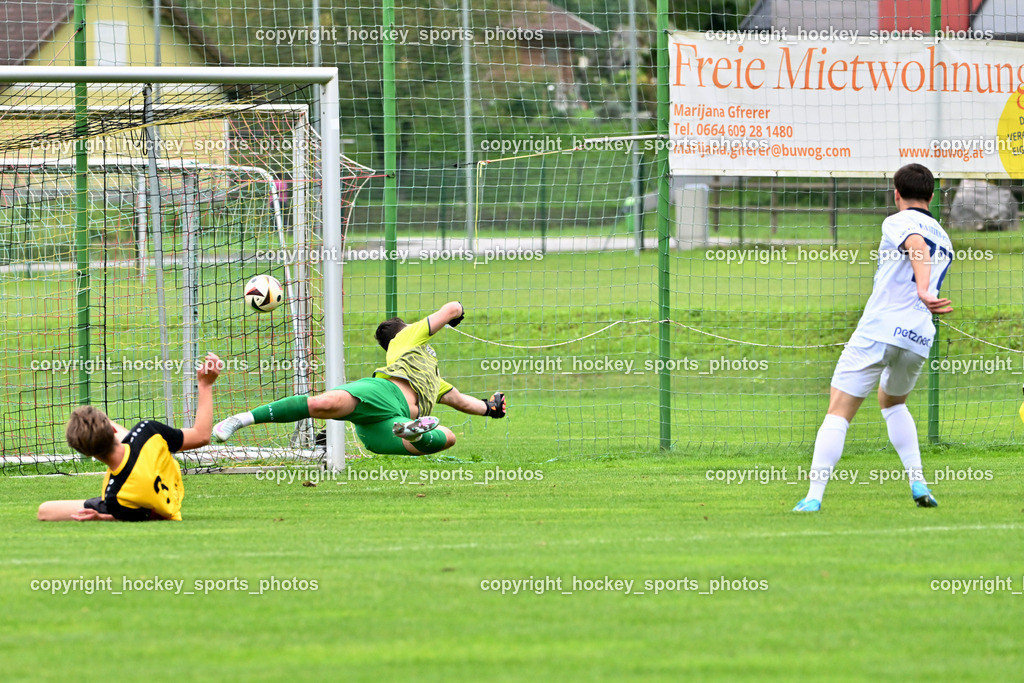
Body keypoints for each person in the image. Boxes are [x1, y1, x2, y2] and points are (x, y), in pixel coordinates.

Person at [793, 164, 953, 512]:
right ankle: (918, 481)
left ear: (896, 194)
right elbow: (924, 248)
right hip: (918, 334)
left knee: (838, 410)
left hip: (881, 327)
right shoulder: (944, 235)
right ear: (931, 195)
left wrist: (923, 289)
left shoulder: (898, 221)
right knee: (893, 403)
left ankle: (813, 496)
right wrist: (925, 295)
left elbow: (916, 246)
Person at [211, 302, 506, 455]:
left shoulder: (432, 375)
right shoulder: (406, 338)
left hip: (386, 428)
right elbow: (452, 307)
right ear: (403, 331)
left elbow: (459, 401)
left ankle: (412, 432)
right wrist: (456, 314)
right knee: (324, 403)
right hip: (383, 394)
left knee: (448, 438)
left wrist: (490, 407)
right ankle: (241, 419)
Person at [37, 352, 223, 521]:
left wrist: (103, 517)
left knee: (44, 510)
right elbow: (201, 436)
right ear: (114, 431)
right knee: (123, 435)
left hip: (149, 501)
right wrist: (205, 384)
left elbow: (154, 516)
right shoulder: (148, 431)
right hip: (171, 484)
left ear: (87, 453)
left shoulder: (113, 495)